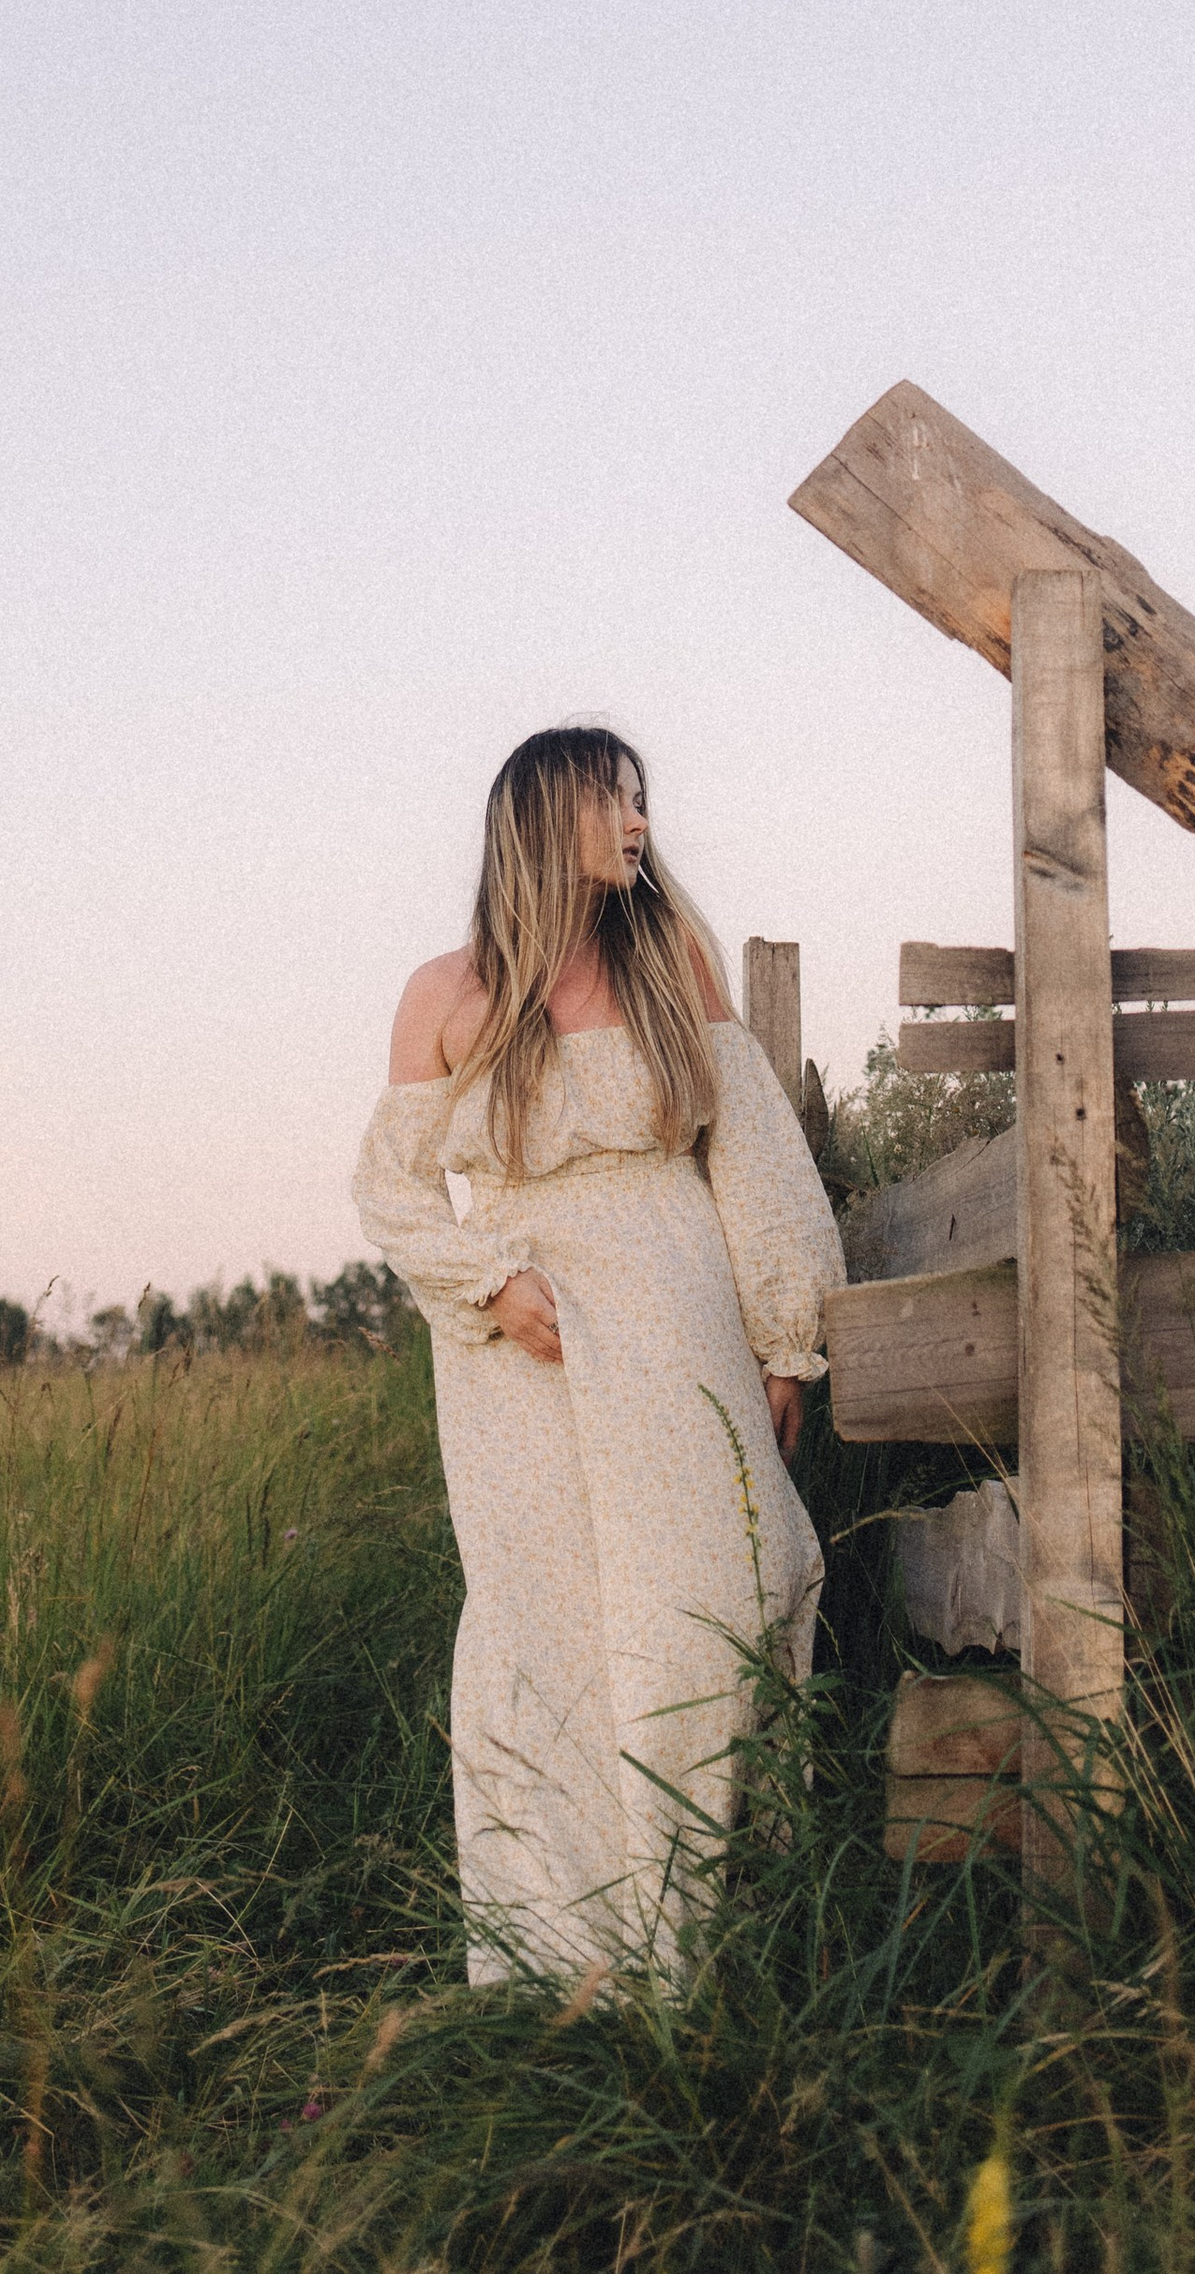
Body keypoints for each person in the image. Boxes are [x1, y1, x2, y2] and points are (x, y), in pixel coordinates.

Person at [351, 724, 844, 1987]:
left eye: (640, 797)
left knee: (716, 1595)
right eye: (609, 798)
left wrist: (785, 1338)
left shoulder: (673, 958)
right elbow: (393, 1197)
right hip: (519, 1358)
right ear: (537, 818)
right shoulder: (444, 993)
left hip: (679, 1324)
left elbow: (751, 1157)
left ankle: (711, 1930)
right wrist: (488, 1285)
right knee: (546, 1629)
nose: (636, 820)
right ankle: (568, 1969)